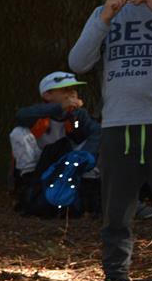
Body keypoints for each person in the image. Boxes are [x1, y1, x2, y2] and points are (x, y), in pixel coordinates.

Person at [68, 0, 152, 281]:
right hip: (118, 124)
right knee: (116, 209)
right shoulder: (105, 14)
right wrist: (103, 19)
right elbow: (78, 62)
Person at [9, 71, 100, 217]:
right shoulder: (37, 113)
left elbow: (96, 132)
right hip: (39, 164)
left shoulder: (79, 115)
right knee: (18, 132)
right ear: (47, 95)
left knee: (100, 144)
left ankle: (87, 199)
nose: (71, 93)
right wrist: (59, 107)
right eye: (65, 90)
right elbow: (21, 115)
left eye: (73, 89)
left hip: (69, 162)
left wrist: (83, 156)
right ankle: (30, 188)